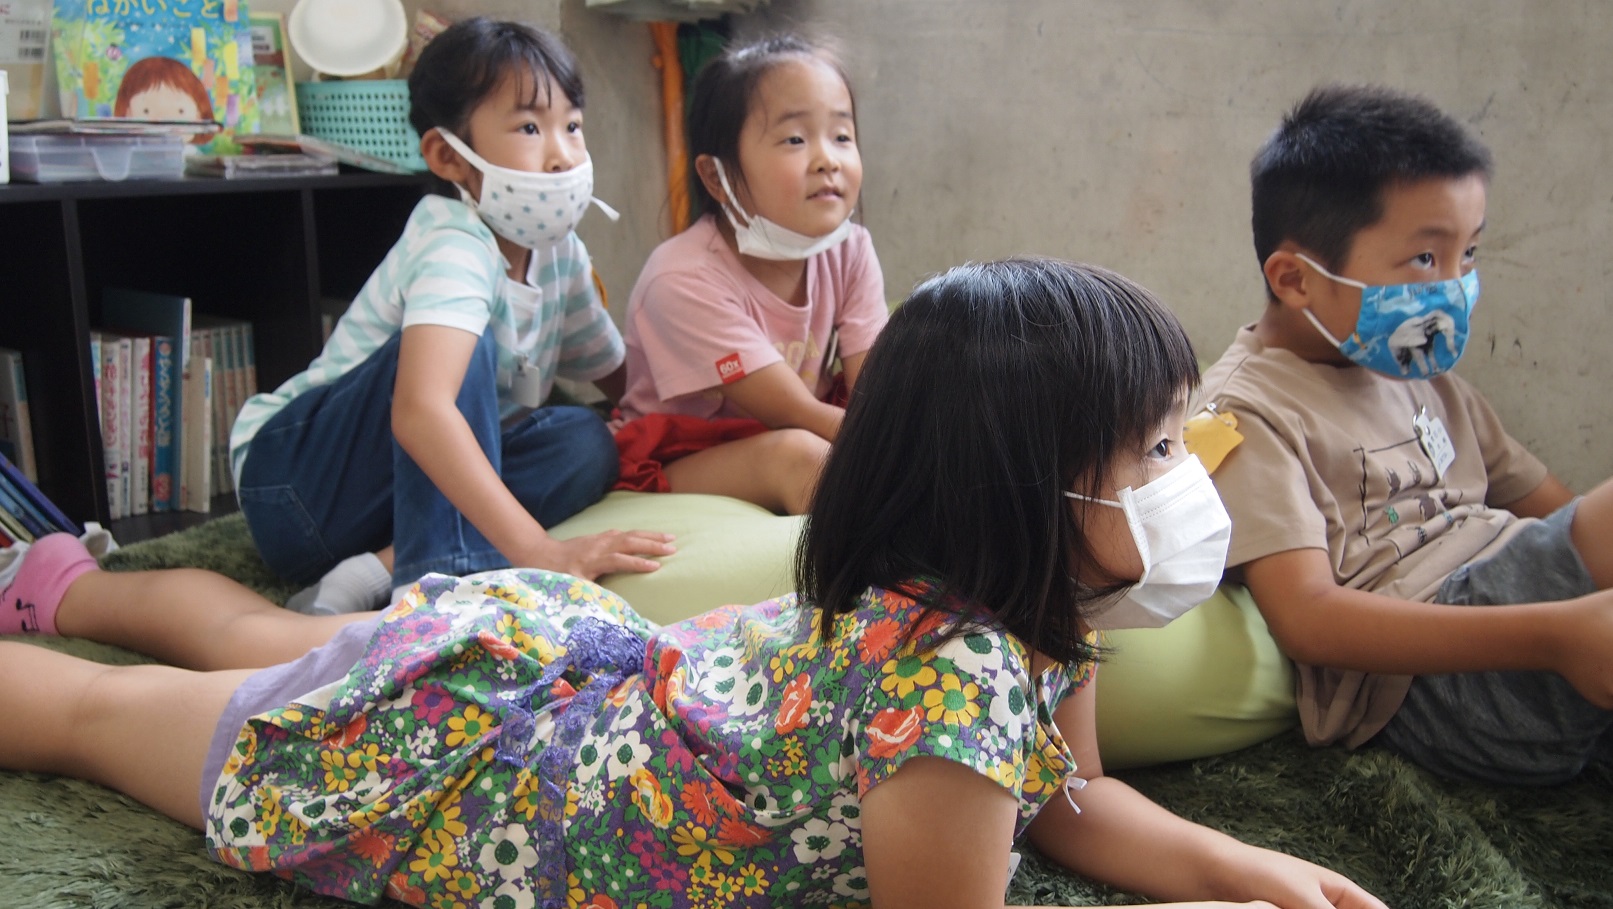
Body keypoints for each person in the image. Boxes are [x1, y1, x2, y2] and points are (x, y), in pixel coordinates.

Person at [0, 258, 1385, 909]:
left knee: (266, 643)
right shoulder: (953, 680)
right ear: (1022, 493)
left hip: (544, 672)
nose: (1186, 476)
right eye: (1155, 449)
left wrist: (1240, 866)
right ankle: (57, 602)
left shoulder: (1028, 610)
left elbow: (1070, 802)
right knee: (102, 718)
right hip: (489, 770)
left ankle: (62, 582)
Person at [1201, 83, 1613, 785]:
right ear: (1295, 278)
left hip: (1540, 616)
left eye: (1468, 254)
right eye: (1425, 260)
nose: (1454, 287)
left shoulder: (1418, 370)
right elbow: (1308, 619)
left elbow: (1556, 512)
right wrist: (1556, 634)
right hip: (1434, 683)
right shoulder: (1244, 413)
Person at [228, 18, 674, 617]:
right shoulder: (453, 241)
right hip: (297, 490)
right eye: (529, 127)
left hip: (392, 503)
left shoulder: (561, 254)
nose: (562, 155)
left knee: (585, 441)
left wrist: (708, 423)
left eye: (571, 125)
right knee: (467, 354)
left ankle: (370, 572)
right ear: (447, 155)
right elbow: (422, 412)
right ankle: (438, 591)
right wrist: (541, 552)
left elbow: (623, 381)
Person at [613, 35, 889, 515]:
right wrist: (904, 452)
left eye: (842, 136)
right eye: (795, 139)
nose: (828, 159)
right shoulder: (681, 277)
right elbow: (794, 412)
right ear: (716, 177)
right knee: (802, 458)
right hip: (689, 454)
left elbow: (877, 388)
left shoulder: (851, 248)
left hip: (803, 428)